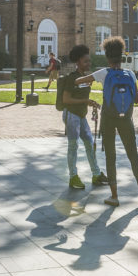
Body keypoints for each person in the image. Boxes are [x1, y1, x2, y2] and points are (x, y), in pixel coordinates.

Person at [78, 36, 138, 208]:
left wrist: (86, 83)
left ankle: (114, 196)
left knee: (111, 156)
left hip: (108, 118)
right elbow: (136, 99)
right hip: (126, 119)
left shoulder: (103, 73)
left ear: (107, 57)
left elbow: (79, 81)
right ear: (121, 57)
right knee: (133, 155)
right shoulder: (130, 74)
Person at [57, 44, 107, 189]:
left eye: (89, 61)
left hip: (81, 116)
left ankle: (96, 174)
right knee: (73, 146)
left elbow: (82, 96)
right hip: (71, 115)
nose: (89, 63)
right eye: (86, 61)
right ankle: (73, 177)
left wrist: (89, 102)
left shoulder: (85, 78)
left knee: (90, 144)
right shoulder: (72, 78)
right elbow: (66, 99)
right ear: (78, 62)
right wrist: (86, 101)